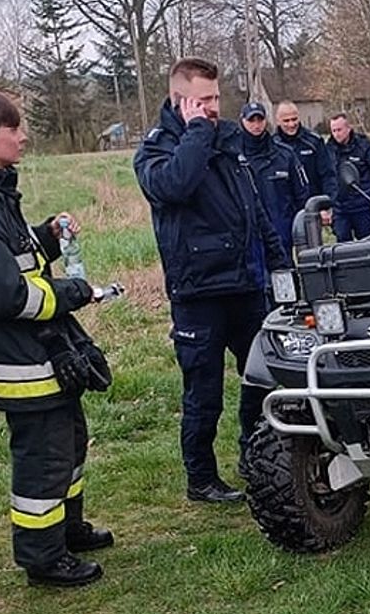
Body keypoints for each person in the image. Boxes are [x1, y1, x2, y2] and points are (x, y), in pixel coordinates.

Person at [0, 89, 114, 589]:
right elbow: (7, 295)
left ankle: (66, 529)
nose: (23, 136)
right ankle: (43, 557)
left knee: (70, 444)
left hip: (41, 353)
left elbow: (16, 256)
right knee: (44, 459)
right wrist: (74, 293)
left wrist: (48, 236)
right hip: (21, 363)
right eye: (14, 129)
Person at [133, 58, 286, 504]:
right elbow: (174, 186)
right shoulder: (156, 149)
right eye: (204, 100)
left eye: (217, 98)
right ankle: (200, 478)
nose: (214, 107)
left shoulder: (229, 141)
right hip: (197, 291)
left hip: (244, 284)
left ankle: (256, 456)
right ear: (181, 100)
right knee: (204, 391)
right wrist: (196, 133)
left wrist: (278, 264)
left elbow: (252, 209)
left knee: (263, 377)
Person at [240, 102, 308, 256]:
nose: (256, 125)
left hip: (281, 233)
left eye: (260, 119)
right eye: (251, 120)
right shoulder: (234, 157)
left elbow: (301, 194)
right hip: (249, 237)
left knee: (285, 275)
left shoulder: (285, 155)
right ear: (243, 121)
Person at [325, 113, 370, 241]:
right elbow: (324, 178)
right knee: (342, 247)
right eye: (333, 130)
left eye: (339, 130)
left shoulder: (363, 146)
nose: (337, 134)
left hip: (362, 205)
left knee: (368, 244)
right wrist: (326, 206)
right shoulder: (328, 150)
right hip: (340, 208)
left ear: (348, 128)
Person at [273, 100, 336, 203]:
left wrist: (327, 204)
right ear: (278, 121)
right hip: (285, 209)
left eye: (294, 119)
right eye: (286, 121)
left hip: (314, 206)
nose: (291, 124)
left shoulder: (314, 142)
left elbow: (328, 176)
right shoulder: (272, 146)